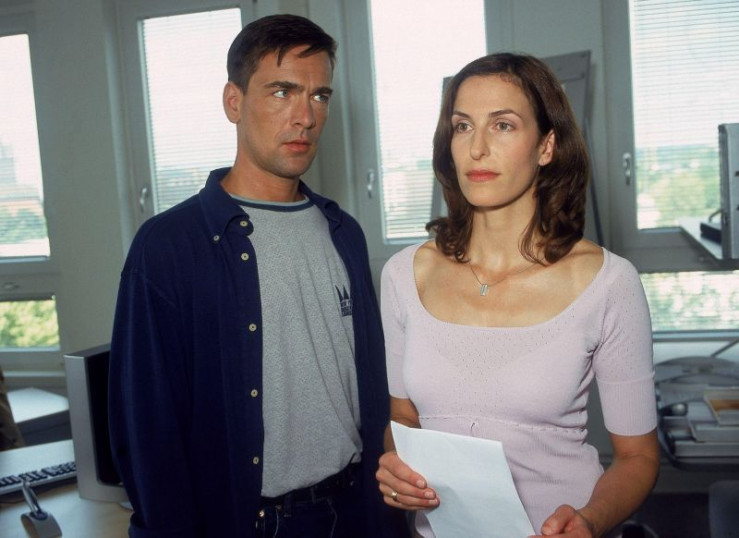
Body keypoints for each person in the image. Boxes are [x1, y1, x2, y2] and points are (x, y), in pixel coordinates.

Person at [109, 14, 406, 538]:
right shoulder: (170, 246)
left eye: (319, 96)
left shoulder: (344, 233)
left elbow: (373, 390)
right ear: (234, 102)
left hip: (356, 511)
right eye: (282, 92)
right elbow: (148, 429)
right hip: (255, 524)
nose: (305, 117)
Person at [375, 52, 660, 538]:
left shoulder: (609, 282)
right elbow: (403, 419)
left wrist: (590, 521)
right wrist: (397, 467)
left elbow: (638, 457)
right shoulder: (404, 275)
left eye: (503, 125)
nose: (477, 148)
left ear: (546, 146)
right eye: (463, 126)